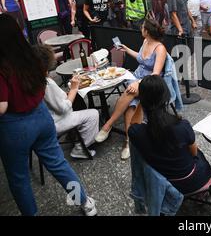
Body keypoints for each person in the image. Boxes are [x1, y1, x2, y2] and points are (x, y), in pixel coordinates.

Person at [0, 14, 97, 216]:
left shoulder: (2, 67)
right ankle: (85, 202)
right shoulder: (32, 56)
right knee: (58, 164)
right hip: (42, 118)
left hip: (14, 126)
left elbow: (2, 107)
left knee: (19, 179)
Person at [95, 18, 167, 160]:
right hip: (137, 76)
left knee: (129, 93)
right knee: (132, 104)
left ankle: (109, 125)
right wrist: (126, 49)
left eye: (142, 28)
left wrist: (139, 82)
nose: (141, 29)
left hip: (151, 82)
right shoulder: (145, 42)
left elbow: (156, 74)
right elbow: (141, 58)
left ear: (146, 31)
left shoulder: (160, 48)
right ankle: (129, 141)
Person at [128, 75, 211, 194]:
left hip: (161, 183)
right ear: (166, 97)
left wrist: (142, 100)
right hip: (191, 181)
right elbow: (193, 153)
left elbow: (134, 123)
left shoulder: (136, 132)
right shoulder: (182, 126)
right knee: (199, 153)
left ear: (142, 100)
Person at [34, 44, 99, 159]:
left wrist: (70, 91)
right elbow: (63, 109)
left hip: (41, 122)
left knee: (77, 99)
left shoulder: (32, 79)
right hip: (55, 122)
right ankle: (80, 148)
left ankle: (75, 134)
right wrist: (74, 88)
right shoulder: (46, 84)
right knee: (93, 114)